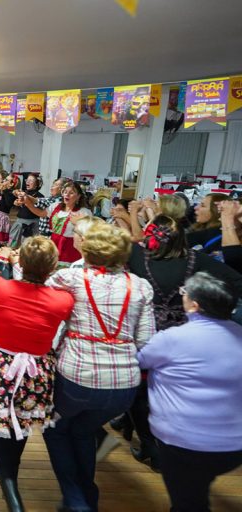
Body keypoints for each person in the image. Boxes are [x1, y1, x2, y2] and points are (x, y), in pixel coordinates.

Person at [42, 223, 155, 512]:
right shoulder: (140, 286)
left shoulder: (68, 279)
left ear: (88, 249)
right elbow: (145, 341)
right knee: (82, 432)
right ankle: (87, 495)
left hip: (77, 377)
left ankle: (77, 500)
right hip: (123, 386)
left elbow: (43, 309)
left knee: (55, 429)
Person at [0, 237, 74, 512]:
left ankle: (9, 481)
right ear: (53, 267)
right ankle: (9, 469)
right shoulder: (62, 300)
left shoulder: (0, 287)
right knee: (20, 420)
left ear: (21, 262)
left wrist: (8, 260)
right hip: (37, 369)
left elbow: (3, 280)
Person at [123, 214, 242, 470]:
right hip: (181, 335)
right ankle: (167, 446)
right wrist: (216, 310)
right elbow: (236, 280)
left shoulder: (135, 256)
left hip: (142, 332)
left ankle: (149, 445)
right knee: (170, 391)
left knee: (139, 391)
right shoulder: (195, 260)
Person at [137, 272, 242, 512]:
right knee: (196, 493)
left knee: (187, 503)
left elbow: (140, 360)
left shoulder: (172, 339)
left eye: (184, 293)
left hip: (184, 443)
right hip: (234, 446)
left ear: (194, 305)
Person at [25, 181, 92, 266]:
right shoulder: (56, 206)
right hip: (54, 244)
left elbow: (89, 233)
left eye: (71, 193)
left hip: (70, 249)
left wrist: (78, 224)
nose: (67, 194)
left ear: (78, 196)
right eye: (65, 192)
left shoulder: (83, 212)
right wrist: (27, 203)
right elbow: (41, 213)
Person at [187, 193, 229, 262]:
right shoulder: (198, 229)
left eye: (203, 205)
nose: (195, 207)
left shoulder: (220, 239)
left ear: (216, 211)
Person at [9, 174, 43, 248]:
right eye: (27, 180)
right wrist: (16, 202)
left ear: (36, 184)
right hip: (19, 223)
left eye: (31, 180)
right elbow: (15, 195)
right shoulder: (23, 193)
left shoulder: (40, 197)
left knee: (27, 247)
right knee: (13, 243)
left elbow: (37, 210)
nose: (28, 182)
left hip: (32, 224)